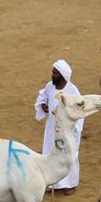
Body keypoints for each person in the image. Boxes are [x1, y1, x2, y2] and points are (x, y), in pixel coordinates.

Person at [34, 59, 82, 194]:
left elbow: (79, 110)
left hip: (66, 131)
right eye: (53, 72)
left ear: (62, 75)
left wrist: (71, 126)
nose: (52, 75)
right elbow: (42, 96)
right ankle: (52, 183)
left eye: (55, 73)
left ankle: (70, 184)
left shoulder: (73, 90)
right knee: (50, 153)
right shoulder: (50, 86)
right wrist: (43, 104)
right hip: (51, 130)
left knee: (68, 155)